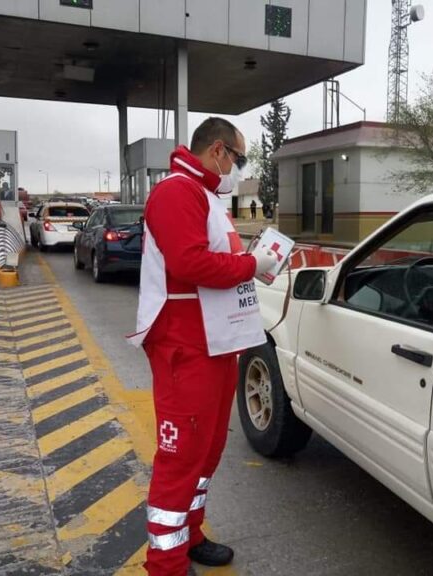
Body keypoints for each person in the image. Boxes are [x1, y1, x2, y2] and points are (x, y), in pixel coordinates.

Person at [128, 117, 278, 576]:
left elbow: (213, 256)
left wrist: (251, 261)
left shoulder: (206, 196)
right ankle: (166, 564)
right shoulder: (177, 192)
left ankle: (189, 535)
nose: (238, 166)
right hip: (184, 345)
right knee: (180, 457)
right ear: (218, 151)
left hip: (215, 342)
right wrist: (250, 264)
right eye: (239, 157)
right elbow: (189, 261)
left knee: (207, 449)